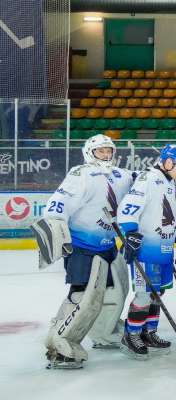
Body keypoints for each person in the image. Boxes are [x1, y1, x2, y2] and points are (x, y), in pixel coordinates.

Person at [36, 134, 134, 368]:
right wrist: (56, 225)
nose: (106, 155)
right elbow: (58, 203)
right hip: (83, 247)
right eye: (101, 151)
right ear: (90, 153)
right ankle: (61, 342)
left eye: (109, 151)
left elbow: (143, 183)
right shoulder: (81, 174)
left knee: (115, 292)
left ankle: (104, 332)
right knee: (83, 296)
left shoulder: (120, 174)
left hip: (109, 245)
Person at [117, 144, 176, 357]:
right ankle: (131, 334)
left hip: (164, 248)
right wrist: (131, 232)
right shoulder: (148, 179)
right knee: (143, 295)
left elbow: (175, 218)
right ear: (167, 161)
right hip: (146, 249)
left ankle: (148, 332)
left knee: (157, 294)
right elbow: (128, 207)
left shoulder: (175, 186)